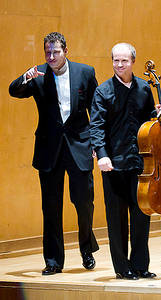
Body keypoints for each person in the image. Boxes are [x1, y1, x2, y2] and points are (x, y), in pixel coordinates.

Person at [9, 32, 99, 275]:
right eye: (47, 52)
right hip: (49, 149)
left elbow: (96, 109)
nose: (51, 56)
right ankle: (53, 261)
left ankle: (86, 248)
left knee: (83, 202)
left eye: (55, 52)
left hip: (80, 146)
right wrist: (25, 77)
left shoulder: (85, 72)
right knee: (50, 207)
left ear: (65, 51)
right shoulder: (37, 74)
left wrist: (96, 143)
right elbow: (13, 91)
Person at [90, 42, 161, 280]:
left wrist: (158, 114)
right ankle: (122, 269)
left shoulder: (144, 88)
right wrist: (101, 153)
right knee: (116, 220)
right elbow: (96, 127)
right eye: (116, 60)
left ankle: (141, 266)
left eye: (124, 60)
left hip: (140, 165)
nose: (119, 64)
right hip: (112, 164)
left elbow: (148, 123)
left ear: (133, 61)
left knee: (141, 216)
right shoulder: (103, 91)